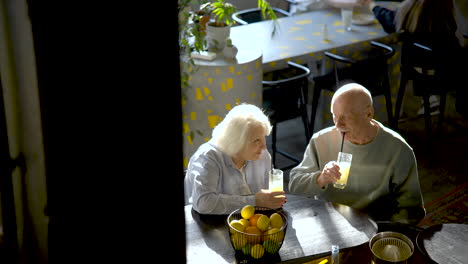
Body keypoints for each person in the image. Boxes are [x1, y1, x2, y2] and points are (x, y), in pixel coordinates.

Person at [288, 83, 425, 225]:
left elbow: (411, 210)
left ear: (369, 113)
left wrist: (385, 234)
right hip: (331, 226)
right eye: (335, 116)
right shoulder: (320, 140)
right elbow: (295, 186)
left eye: (345, 117)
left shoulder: (399, 149)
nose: (338, 125)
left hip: (377, 228)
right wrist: (320, 178)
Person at [184, 103, 287, 214]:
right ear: (237, 141)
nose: (264, 147)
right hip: (206, 225)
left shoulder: (262, 155)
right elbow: (204, 203)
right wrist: (255, 201)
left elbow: (269, 198)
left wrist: (271, 200)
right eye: (257, 141)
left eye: (264, 138)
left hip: (251, 225)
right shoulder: (207, 159)